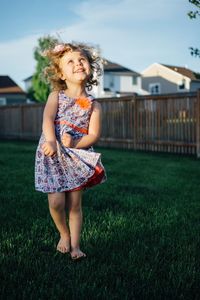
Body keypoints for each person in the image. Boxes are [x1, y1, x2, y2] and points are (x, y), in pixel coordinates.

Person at [35, 42, 107, 260]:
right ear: (61, 73)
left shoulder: (94, 105)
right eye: (71, 61)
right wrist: (51, 140)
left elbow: (94, 135)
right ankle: (63, 234)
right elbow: (47, 119)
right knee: (56, 202)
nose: (78, 64)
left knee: (74, 204)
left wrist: (75, 143)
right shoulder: (56, 96)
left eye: (82, 60)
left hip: (76, 156)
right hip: (53, 153)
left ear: (90, 68)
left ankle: (75, 246)